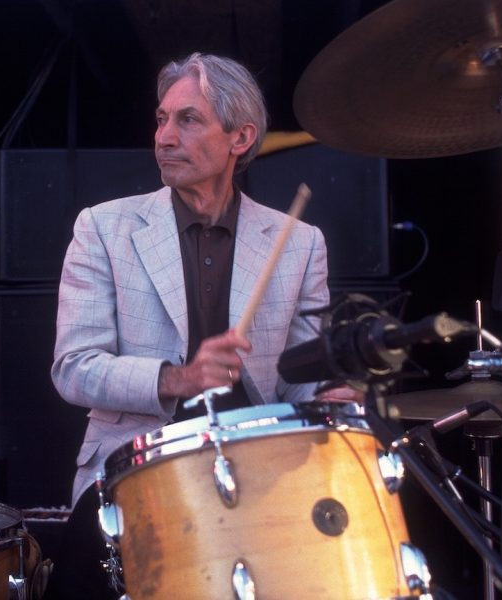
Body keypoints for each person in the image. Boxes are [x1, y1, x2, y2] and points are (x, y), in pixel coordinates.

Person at [46, 52, 351, 599]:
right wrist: (179, 378)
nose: (164, 136)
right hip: (127, 477)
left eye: (188, 119)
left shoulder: (299, 243)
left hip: (258, 479)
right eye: (162, 119)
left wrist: (334, 394)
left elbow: (301, 378)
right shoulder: (103, 229)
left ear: (241, 137)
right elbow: (75, 368)